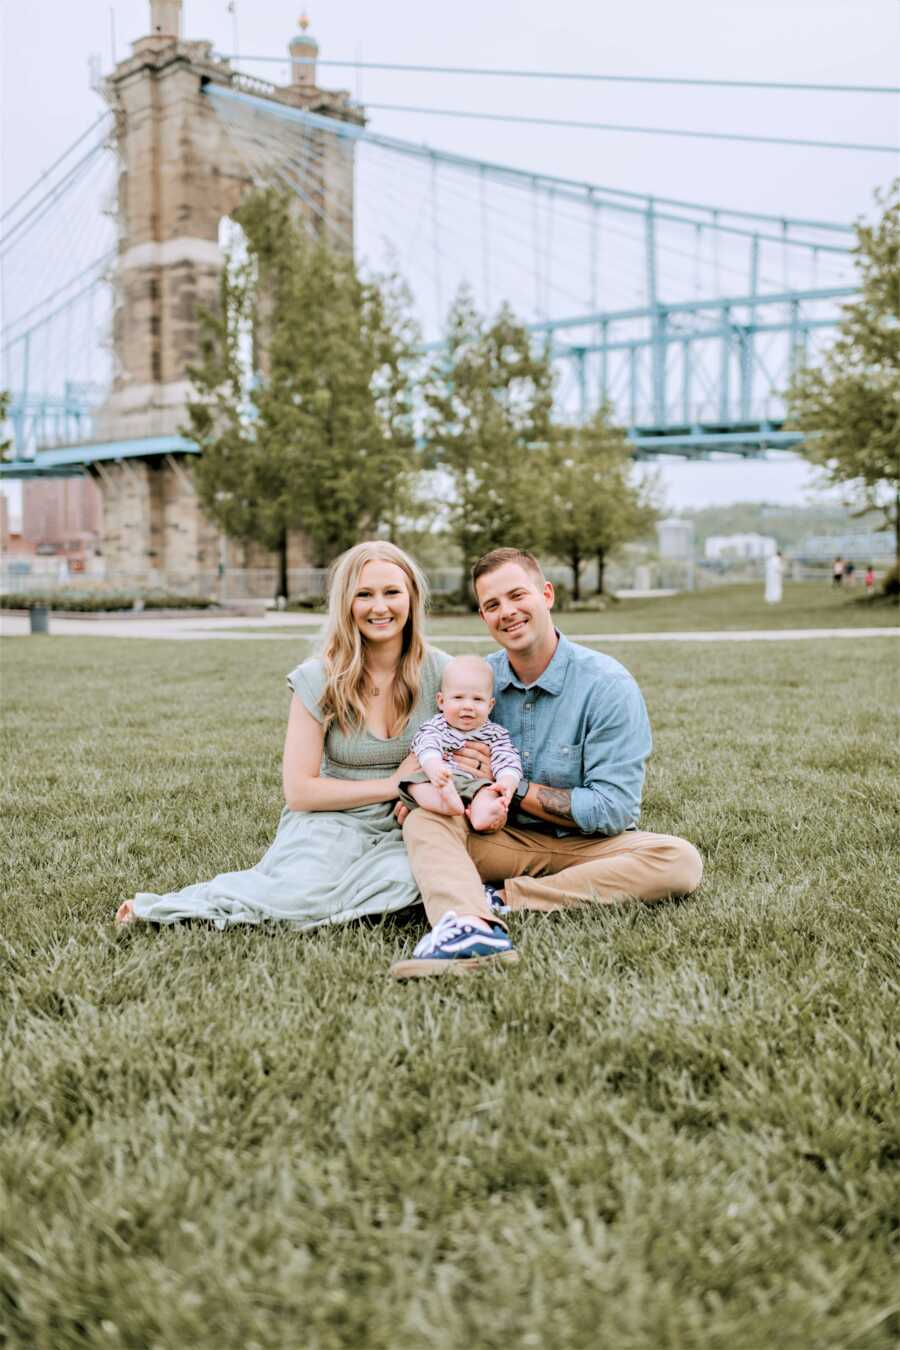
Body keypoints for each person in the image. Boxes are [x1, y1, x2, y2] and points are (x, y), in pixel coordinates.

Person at [114, 542, 512, 951]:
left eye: (392, 592)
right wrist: (397, 784)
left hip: (409, 820)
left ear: (412, 596)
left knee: (409, 877)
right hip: (332, 818)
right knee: (300, 892)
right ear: (345, 602)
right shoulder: (319, 677)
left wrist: (454, 776)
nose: (380, 607)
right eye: (364, 594)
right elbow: (302, 792)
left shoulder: (445, 673)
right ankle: (171, 906)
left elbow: (477, 751)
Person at [390, 548, 704, 979]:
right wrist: (423, 783)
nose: (508, 612)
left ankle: (501, 900)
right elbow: (426, 751)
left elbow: (614, 810)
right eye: (492, 605)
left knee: (679, 860)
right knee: (424, 819)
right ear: (484, 617)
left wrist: (513, 788)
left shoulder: (607, 686)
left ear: (547, 595)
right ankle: (467, 926)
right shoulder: (478, 684)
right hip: (498, 838)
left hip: (587, 847)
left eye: (518, 596)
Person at [401, 653, 522, 831]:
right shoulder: (436, 726)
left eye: (477, 699)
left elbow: (508, 758)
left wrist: (507, 781)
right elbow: (425, 744)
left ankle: (483, 818)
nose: (468, 706)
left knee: (489, 793)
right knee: (414, 784)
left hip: (475, 784)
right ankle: (446, 804)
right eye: (458, 698)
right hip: (440, 781)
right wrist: (434, 766)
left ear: (490, 705)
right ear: (441, 701)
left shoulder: (495, 734)